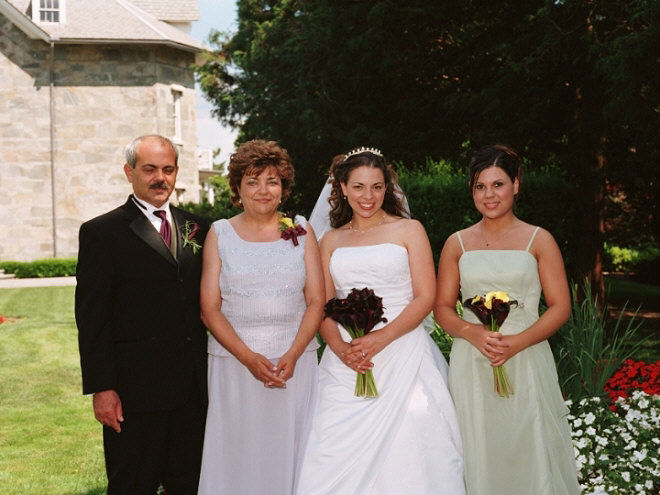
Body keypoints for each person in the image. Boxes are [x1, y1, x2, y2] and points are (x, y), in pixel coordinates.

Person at [296, 148, 465, 495]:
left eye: (376, 186)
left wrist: (381, 338)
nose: (368, 196)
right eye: (358, 187)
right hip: (348, 359)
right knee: (332, 448)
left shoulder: (409, 230)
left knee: (411, 445)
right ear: (343, 188)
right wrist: (340, 348)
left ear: (387, 188)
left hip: (403, 349)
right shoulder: (330, 240)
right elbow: (322, 304)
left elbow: (425, 296)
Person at [434, 144, 580, 495]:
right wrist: (471, 332)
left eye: (498, 184)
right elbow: (441, 307)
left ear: (516, 184)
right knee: (478, 446)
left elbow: (560, 306)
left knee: (529, 443)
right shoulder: (457, 244)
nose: (489, 195)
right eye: (480, 186)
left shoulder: (539, 240)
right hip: (473, 359)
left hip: (526, 354)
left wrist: (517, 343)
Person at [75, 134, 210, 494]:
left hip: (192, 392)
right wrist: (103, 388)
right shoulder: (102, 232)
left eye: (168, 169)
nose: (160, 178)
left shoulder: (199, 228)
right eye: (149, 169)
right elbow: (92, 319)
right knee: (133, 486)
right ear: (129, 172)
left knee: (191, 485)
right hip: (135, 394)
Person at [197, 139, 324, 495]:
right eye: (252, 181)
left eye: (272, 181)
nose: (263, 190)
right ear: (237, 188)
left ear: (284, 187)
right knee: (239, 453)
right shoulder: (220, 233)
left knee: (289, 451)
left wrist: (293, 354)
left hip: (294, 364)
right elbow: (209, 308)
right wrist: (249, 358)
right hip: (234, 365)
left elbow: (316, 301)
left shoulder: (301, 229)